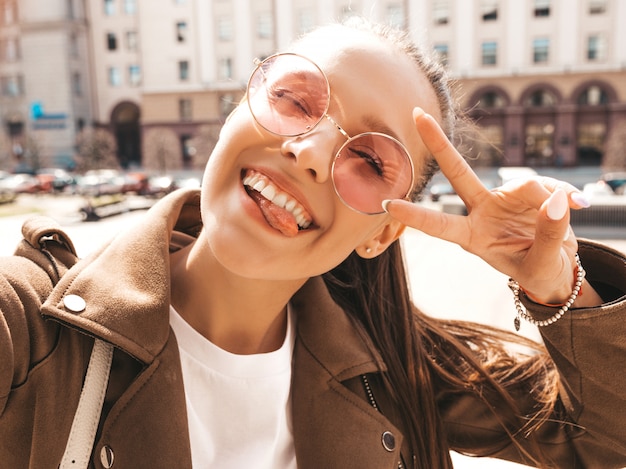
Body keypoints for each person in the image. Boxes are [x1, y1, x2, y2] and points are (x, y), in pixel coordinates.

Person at [1, 17, 625, 469]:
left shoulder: (398, 373)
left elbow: (606, 440)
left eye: (373, 161)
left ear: (383, 232)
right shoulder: (32, 331)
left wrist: (556, 286)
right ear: (235, 112)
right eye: (296, 101)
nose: (309, 153)